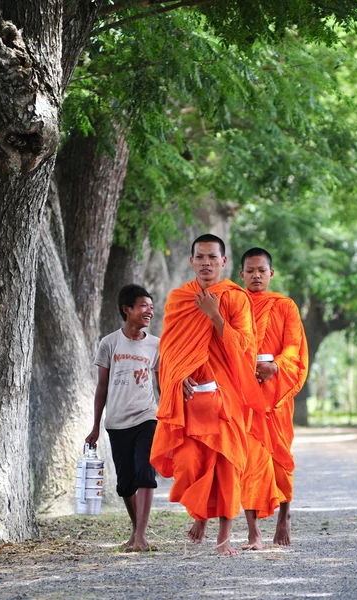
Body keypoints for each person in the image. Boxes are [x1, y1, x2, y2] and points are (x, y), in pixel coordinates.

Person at [150, 234, 269, 555]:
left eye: (212, 258)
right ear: (191, 261)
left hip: (227, 394)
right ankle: (200, 514)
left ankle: (224, 538)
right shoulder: (177, 298)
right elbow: (169, 350)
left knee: (227, 462)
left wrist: (215, 315)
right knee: (191, 461)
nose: (206, 263)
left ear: (223, 262)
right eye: (200, 257)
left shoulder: (235, 297)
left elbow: (246, 347)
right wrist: (177, 376)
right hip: (192, 395)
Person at [240, 247, 308, 548]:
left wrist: (275, 366)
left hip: (276, 392)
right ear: (241, 274)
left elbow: (294, 345)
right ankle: (253, 530)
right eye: (250, 270)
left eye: (261, 271)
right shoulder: (234, 303)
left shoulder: (285, 305)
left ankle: (284, 516)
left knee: (281, 458)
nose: (256, 275)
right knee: (250, 461)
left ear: (271, 274)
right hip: (244, 390)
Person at [85, 284, 160, 552]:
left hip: (147, 416)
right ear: (127, 309)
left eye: (151, 306)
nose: (149, 311)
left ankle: (141, 535)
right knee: (126, 482)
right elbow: (102, 387)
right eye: (143, 306)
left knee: (145, 471)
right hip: (116, 421)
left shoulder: (155, 345)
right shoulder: (110, 342)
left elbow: (163, 384)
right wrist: (95, 426)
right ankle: (135, 530)